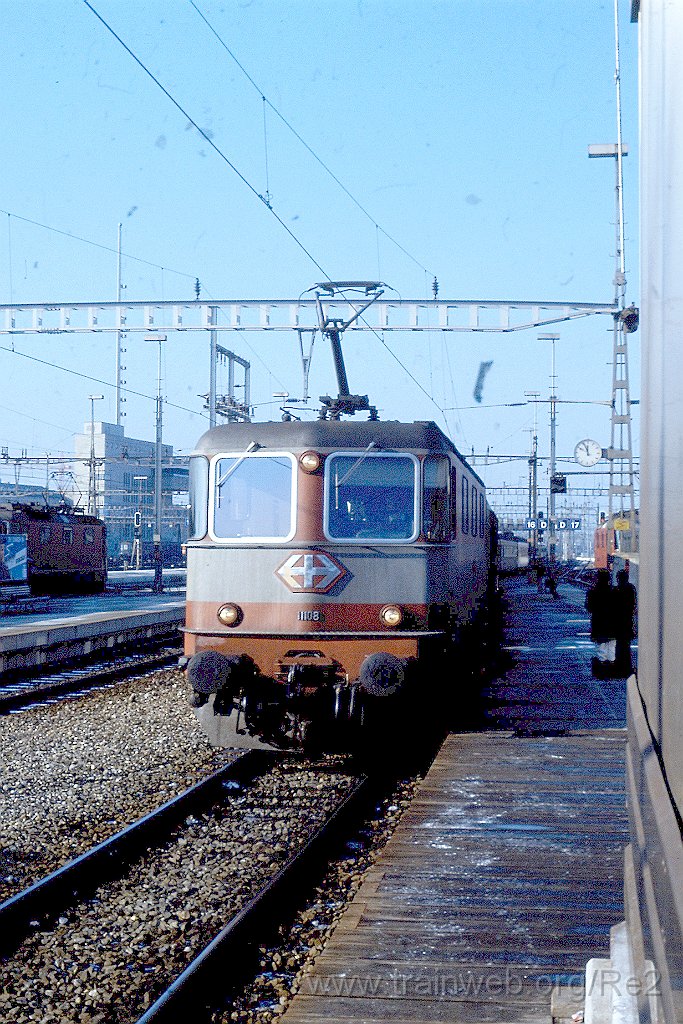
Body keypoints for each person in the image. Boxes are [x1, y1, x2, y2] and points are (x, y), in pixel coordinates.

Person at [585, 569, 616, 677]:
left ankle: (602, 669)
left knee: (601, 647)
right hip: (612, 622)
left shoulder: (592, 592)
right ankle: (612, 668)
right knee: (612, 647)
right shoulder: (614, 591)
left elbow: (589, 607)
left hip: (598, 622)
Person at [613, 569, 637, 675]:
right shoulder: (631, 588)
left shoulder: (616, 590)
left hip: (618, 621)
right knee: (626, 645)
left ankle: (619, 665)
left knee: (619, 644)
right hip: (627, 620)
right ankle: (626, 666)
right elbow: (633, 604)